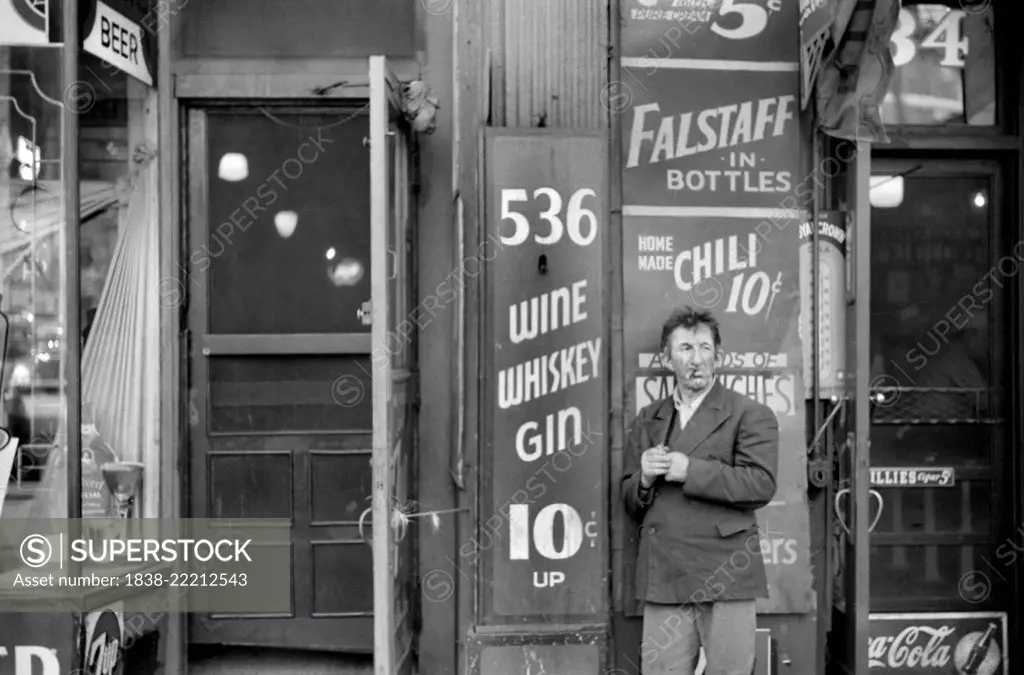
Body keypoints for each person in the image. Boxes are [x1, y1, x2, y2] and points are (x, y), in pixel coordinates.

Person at [622, 306, 779, 675]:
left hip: (726, 572)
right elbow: (629, 500)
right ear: (668, 357)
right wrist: (643, 479)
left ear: (718, 355)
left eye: (705, 348)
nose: (697, 360)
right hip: (666, 574)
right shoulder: (649, 418)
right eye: (686, 349)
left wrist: (690, 470)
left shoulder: (749, 414)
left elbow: (761, 484)